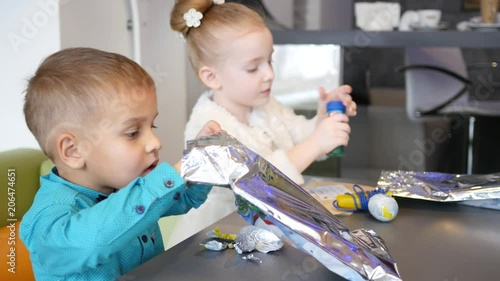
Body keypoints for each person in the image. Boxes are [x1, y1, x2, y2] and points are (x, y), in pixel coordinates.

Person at [19, 47, 222, 280]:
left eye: (151, 126)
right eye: (133, 133)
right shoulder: (48, 218)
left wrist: (200, 159)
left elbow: (183, 199)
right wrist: (174, 173)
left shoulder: (122, 182)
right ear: (74, 151)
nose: (155, 142)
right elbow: (94, 239)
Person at [167, 0, 357, 247]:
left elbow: (300, 135)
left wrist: (322, 120)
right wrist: (316, 142)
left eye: (270, 61)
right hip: (221, 238)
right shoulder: (208, 127)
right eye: (253, 67)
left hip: (266, 231)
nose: (269, 74)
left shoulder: (265, 105)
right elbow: (259, 185)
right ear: (212, 77)